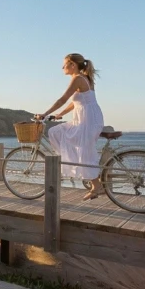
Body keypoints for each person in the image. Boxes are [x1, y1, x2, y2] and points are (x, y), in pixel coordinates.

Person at [35, 53, 104, 200]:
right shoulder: (86, 78)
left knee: (58, 134)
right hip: (89, 118)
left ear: (72, 64)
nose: (62, 67)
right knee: (80, 147)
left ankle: (95, 184)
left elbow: (63, 99)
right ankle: (82, 172)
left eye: (65, 64)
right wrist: (60, 114)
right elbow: (76, 102)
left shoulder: (77, 78)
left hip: (87, 120)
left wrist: (44, 113)